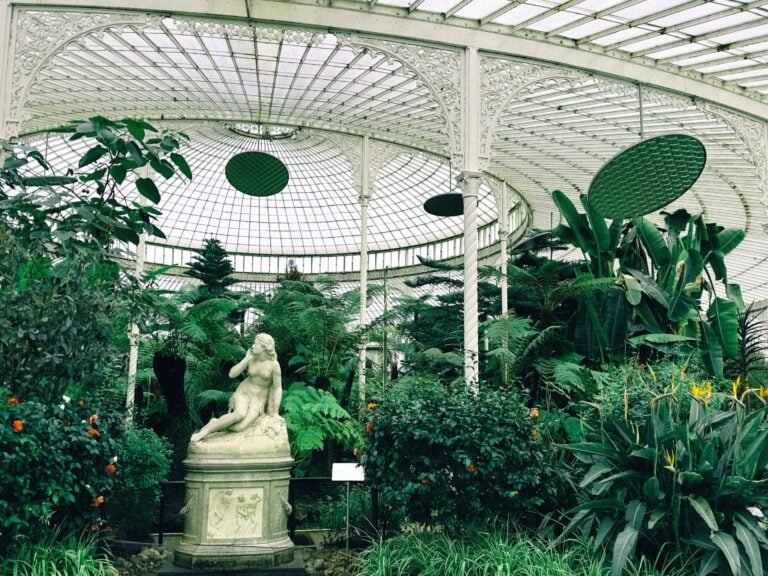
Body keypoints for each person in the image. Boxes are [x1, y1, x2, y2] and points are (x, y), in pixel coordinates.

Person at [190, 333, 282, 443]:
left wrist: (275, 413)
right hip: (244, 393)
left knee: (240, 427)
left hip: (258, 400)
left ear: (264, 347)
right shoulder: (252, 359)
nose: (252, 346)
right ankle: (204, 432)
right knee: (239, 414)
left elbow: (277, 388)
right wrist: (247, 359)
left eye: (255, 344)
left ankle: (215, 423)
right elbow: (232, 374)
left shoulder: (274, 365)